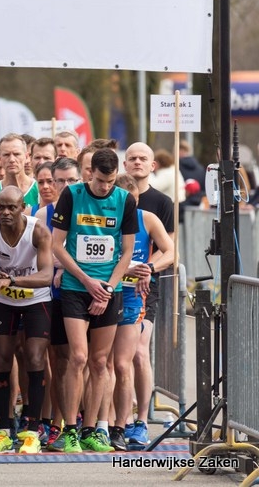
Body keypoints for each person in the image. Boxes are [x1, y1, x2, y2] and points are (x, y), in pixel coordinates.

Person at [51, 148, 138, 453]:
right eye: (101, 180)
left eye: (110, 181)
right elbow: (56, 245)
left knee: (101, 361)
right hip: (76, 285)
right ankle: (71, 429)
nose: (105, 187)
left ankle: (92, 429)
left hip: (108, 290)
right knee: (78, 357)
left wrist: (109, 287)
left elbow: (127, 251)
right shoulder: (72, 195)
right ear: (90, 174)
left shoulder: (124, 199)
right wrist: (87, 281)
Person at [0, 186, 54, 454]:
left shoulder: (38, 230)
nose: (6, 213)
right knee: (1, 360)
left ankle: (32, 430)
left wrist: (11, 279)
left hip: (36, 299)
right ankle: (5, 430)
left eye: (12, 208)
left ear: (23, 207)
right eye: (2, 208)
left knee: (34, 357)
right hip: (4, 301)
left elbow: (46, 275)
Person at [108, 174, 174, 451]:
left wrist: (149, 267)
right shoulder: (105, 219)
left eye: (130, 204)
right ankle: (108, 423)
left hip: (136, 295)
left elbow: (170, 252)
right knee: (105, 361)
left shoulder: (147, 218)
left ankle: (141, 421)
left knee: (134, 356)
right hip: (106, 293)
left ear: (136, 200)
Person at [34, 156, 81, 451]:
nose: (64, 186)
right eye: (59, 180)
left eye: (70, 180)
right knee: (54, 362)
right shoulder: (42, 214)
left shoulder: (87, 208)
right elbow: (42, 258)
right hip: (50, 297)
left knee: (77, 360)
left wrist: (64, 267)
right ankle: (54, 423)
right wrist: (58, 265)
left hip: (78, 293)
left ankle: (76, 423)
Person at [0, 134, 38, 207]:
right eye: (6, 155)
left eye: (16, 154)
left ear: (26, 156)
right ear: (0, 158)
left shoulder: (39, 190)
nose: (12, 159)